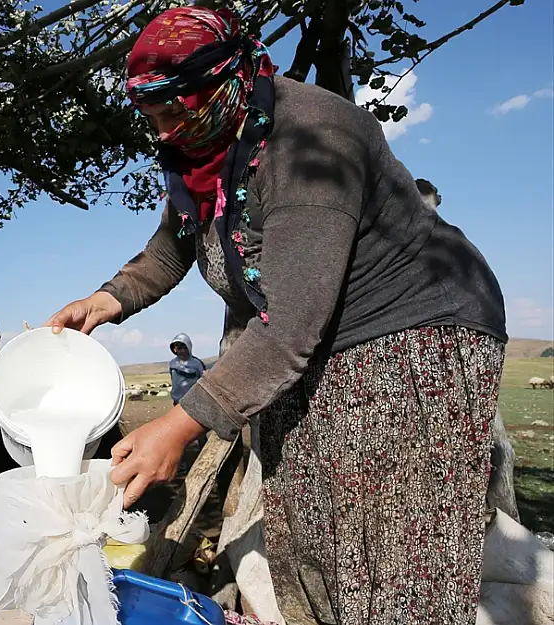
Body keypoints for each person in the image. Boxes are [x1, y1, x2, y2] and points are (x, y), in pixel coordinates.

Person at [45, 7, 506, 624]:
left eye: (168, 115)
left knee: (391, 543)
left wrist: (179, 428)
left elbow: (288, 326)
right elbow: (172, 246)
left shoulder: (311, 141)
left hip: (411, 339)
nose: (158, 134)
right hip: (320, 340)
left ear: (219, 85)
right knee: (311, 527)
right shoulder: (204, 151)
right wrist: (103, 302)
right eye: (148, 119)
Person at [167, 333, 205, 405]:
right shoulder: (173, 363)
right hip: (177, 401)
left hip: (193, 401)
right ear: (174, 349)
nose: (182, 351)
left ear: (189, 347)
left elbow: (203, 380)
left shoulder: (197, 363)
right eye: (179, 348)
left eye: (185, 347)